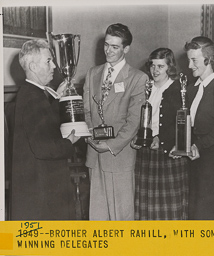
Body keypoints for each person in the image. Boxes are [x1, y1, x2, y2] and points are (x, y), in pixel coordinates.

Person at [83, 23, 148, 220]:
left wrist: (110, 145)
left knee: (121, 216)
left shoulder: (138, 78)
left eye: (115, 47)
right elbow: (86, 110)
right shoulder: (92, 73)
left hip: (119, 155)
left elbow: (133, 121)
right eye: (106, 45)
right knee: (97, 216)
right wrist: (89, 136)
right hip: (94, 153)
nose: (108, 51)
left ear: (126, 49)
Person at [11, 39, 80, 220]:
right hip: (41, 193)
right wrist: (69, 143)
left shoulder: (31, 93)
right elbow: (44, 148)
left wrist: (58, 98)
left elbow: (43, 124)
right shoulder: (34, 98)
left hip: (35, 186)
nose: (54, 67)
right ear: (33, 66)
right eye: (48, 61)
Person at [133, 48, 189, 220]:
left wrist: (162, 138)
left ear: (169, 67)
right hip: (145, 151)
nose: (155, 70)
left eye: (161, 66)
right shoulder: (145, 88)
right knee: (147, 202)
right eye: (153, 66)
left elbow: (182, 123)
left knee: (168, 205)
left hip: (168, 153)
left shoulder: (178, 90)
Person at [185, 36, 214, 220]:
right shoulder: (193, 88)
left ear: (208, 59)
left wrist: (199, 145)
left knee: (208, 205)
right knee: (195, 203)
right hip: (195, 153)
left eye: (194, 60)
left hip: (211, 155)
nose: (189, 66)